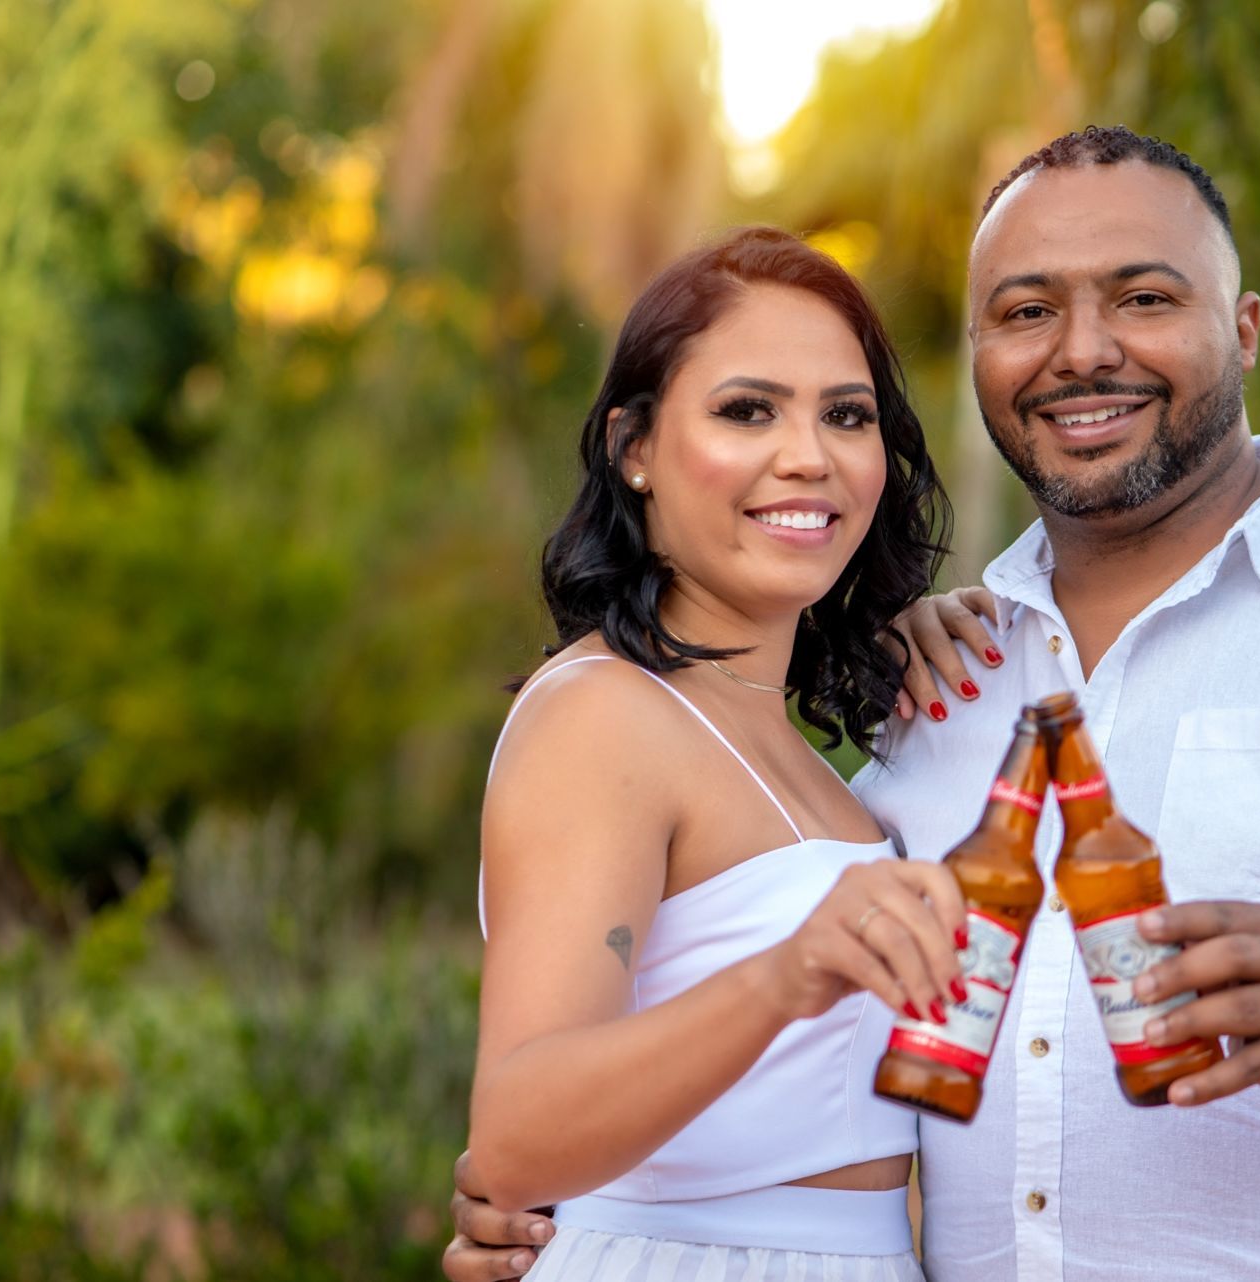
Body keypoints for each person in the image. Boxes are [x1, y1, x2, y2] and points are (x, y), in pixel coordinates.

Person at [448, 128, 1260, 1281]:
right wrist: (586, 1214)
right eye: (1027, 311)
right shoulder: (948, 683)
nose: (1082, 351)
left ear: (1243, 329)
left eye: (1144, 297)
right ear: (978, 353)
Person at [464, 225, 970, 1281]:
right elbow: (516, 1136)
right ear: (634, 448)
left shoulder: (810, 756)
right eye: (748, 410)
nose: (809, 455)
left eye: (847, 415)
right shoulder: (604, 716)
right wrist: (787, 974)